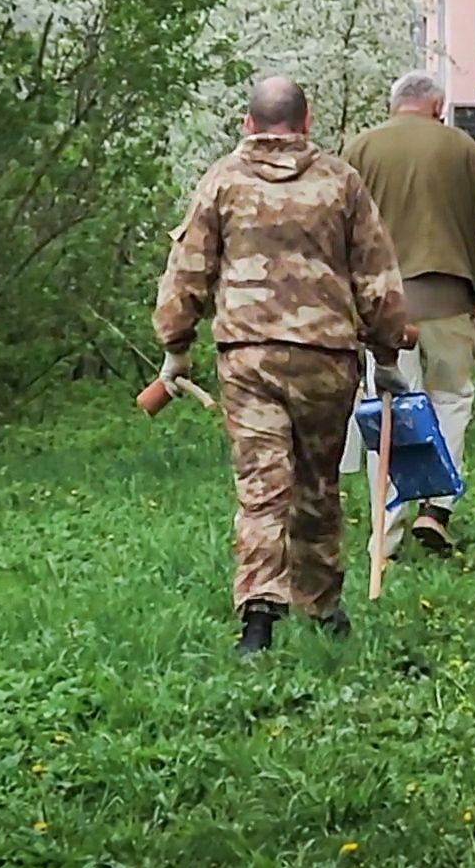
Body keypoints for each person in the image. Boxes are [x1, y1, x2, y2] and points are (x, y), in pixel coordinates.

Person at [154, 76, 411, 656]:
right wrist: (387, 351)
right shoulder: (339, 181)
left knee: (262, 488)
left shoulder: (223, 180)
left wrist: (175, 344)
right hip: (325, 357)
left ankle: (258, 623)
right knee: (317, 483)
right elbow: (376, 275)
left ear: (248, 123)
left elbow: (188, 268)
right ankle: (322, 608)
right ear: (307, 119)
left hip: (249, 356)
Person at [340, 71, 475, 557]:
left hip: (381, 308)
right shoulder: (461, 149)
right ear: (437, 105)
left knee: (386, 411)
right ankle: (436, 507)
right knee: (449, 399)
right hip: (448, 301)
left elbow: (333, 226)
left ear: (394, 106)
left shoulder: (359, 150)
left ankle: (385, 534)